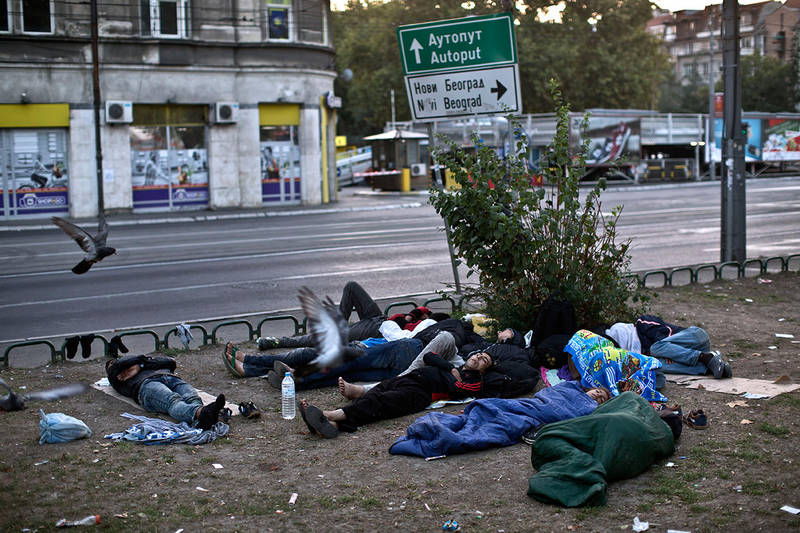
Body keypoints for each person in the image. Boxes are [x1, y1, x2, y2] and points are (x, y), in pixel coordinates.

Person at [297, 348, 539, 439]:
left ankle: (329, 414)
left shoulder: (475, 382)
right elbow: (429, 357)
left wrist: (447, 375)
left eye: (483, 359)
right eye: (477, 355)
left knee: (381, 402)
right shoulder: (454, 366)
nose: (477, 357)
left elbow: (456, 389)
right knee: (374, 398)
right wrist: (449, 368)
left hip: (422, 392)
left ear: (486, 368)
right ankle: (334, 426)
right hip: (409, 379)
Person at [389, 381, 611, 458]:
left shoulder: (587, 408)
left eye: (602, 398)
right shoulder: (570, 388)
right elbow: (546, 396)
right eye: (598, 392)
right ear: (589, 388)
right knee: (482, 412)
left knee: (488, 430)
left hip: (530, 416)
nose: (598, 396)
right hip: (529, 405)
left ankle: (430, 438)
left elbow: (567, 417)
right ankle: (436, 429)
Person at [222, 331, 463, 391]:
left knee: (342, 369)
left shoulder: (453, 339)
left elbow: (441, 343)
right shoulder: (462, 356)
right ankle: (253, 366)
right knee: (336, 372)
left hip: (403, 353)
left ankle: (253, 366)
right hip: (401, 365)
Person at [257, 281, 433, 349]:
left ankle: (277, 342)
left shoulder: (426, 332)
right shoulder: (431, 321)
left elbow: (409, 327)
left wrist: (415, 319)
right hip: (381, 319)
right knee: (351, 287)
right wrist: (416, 315)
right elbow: (420, 311)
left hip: (379, 330)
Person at [106, 354, 225, 430]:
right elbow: (117, 366)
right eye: (111, 364)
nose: (115, 362)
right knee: (172, 400)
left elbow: (170, 362)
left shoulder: (139, 363)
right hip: (146, 386)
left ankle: (203, 418)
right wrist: (138, 363)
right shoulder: (116, 377)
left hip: (170, 378)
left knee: (192, 397)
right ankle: (200, 413)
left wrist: (140, 365)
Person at [605, 315, 732, 381]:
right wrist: (667, 354)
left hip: (697, 338)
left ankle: (706, 358)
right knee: (659, 364)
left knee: (656, 348)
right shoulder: (641, 354)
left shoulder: (642, 323)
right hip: (686, 353)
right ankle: (708, 366)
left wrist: (669, 350)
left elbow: (667, 330)